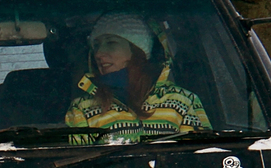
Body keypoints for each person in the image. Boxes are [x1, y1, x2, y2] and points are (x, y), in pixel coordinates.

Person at [64, 13, 210, 142]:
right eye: (96, 46)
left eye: (111, 43)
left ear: (138, 50)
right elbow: (78, 166)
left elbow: (200, 156)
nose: (98, 53)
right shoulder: (83, 108)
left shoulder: (181, 101)